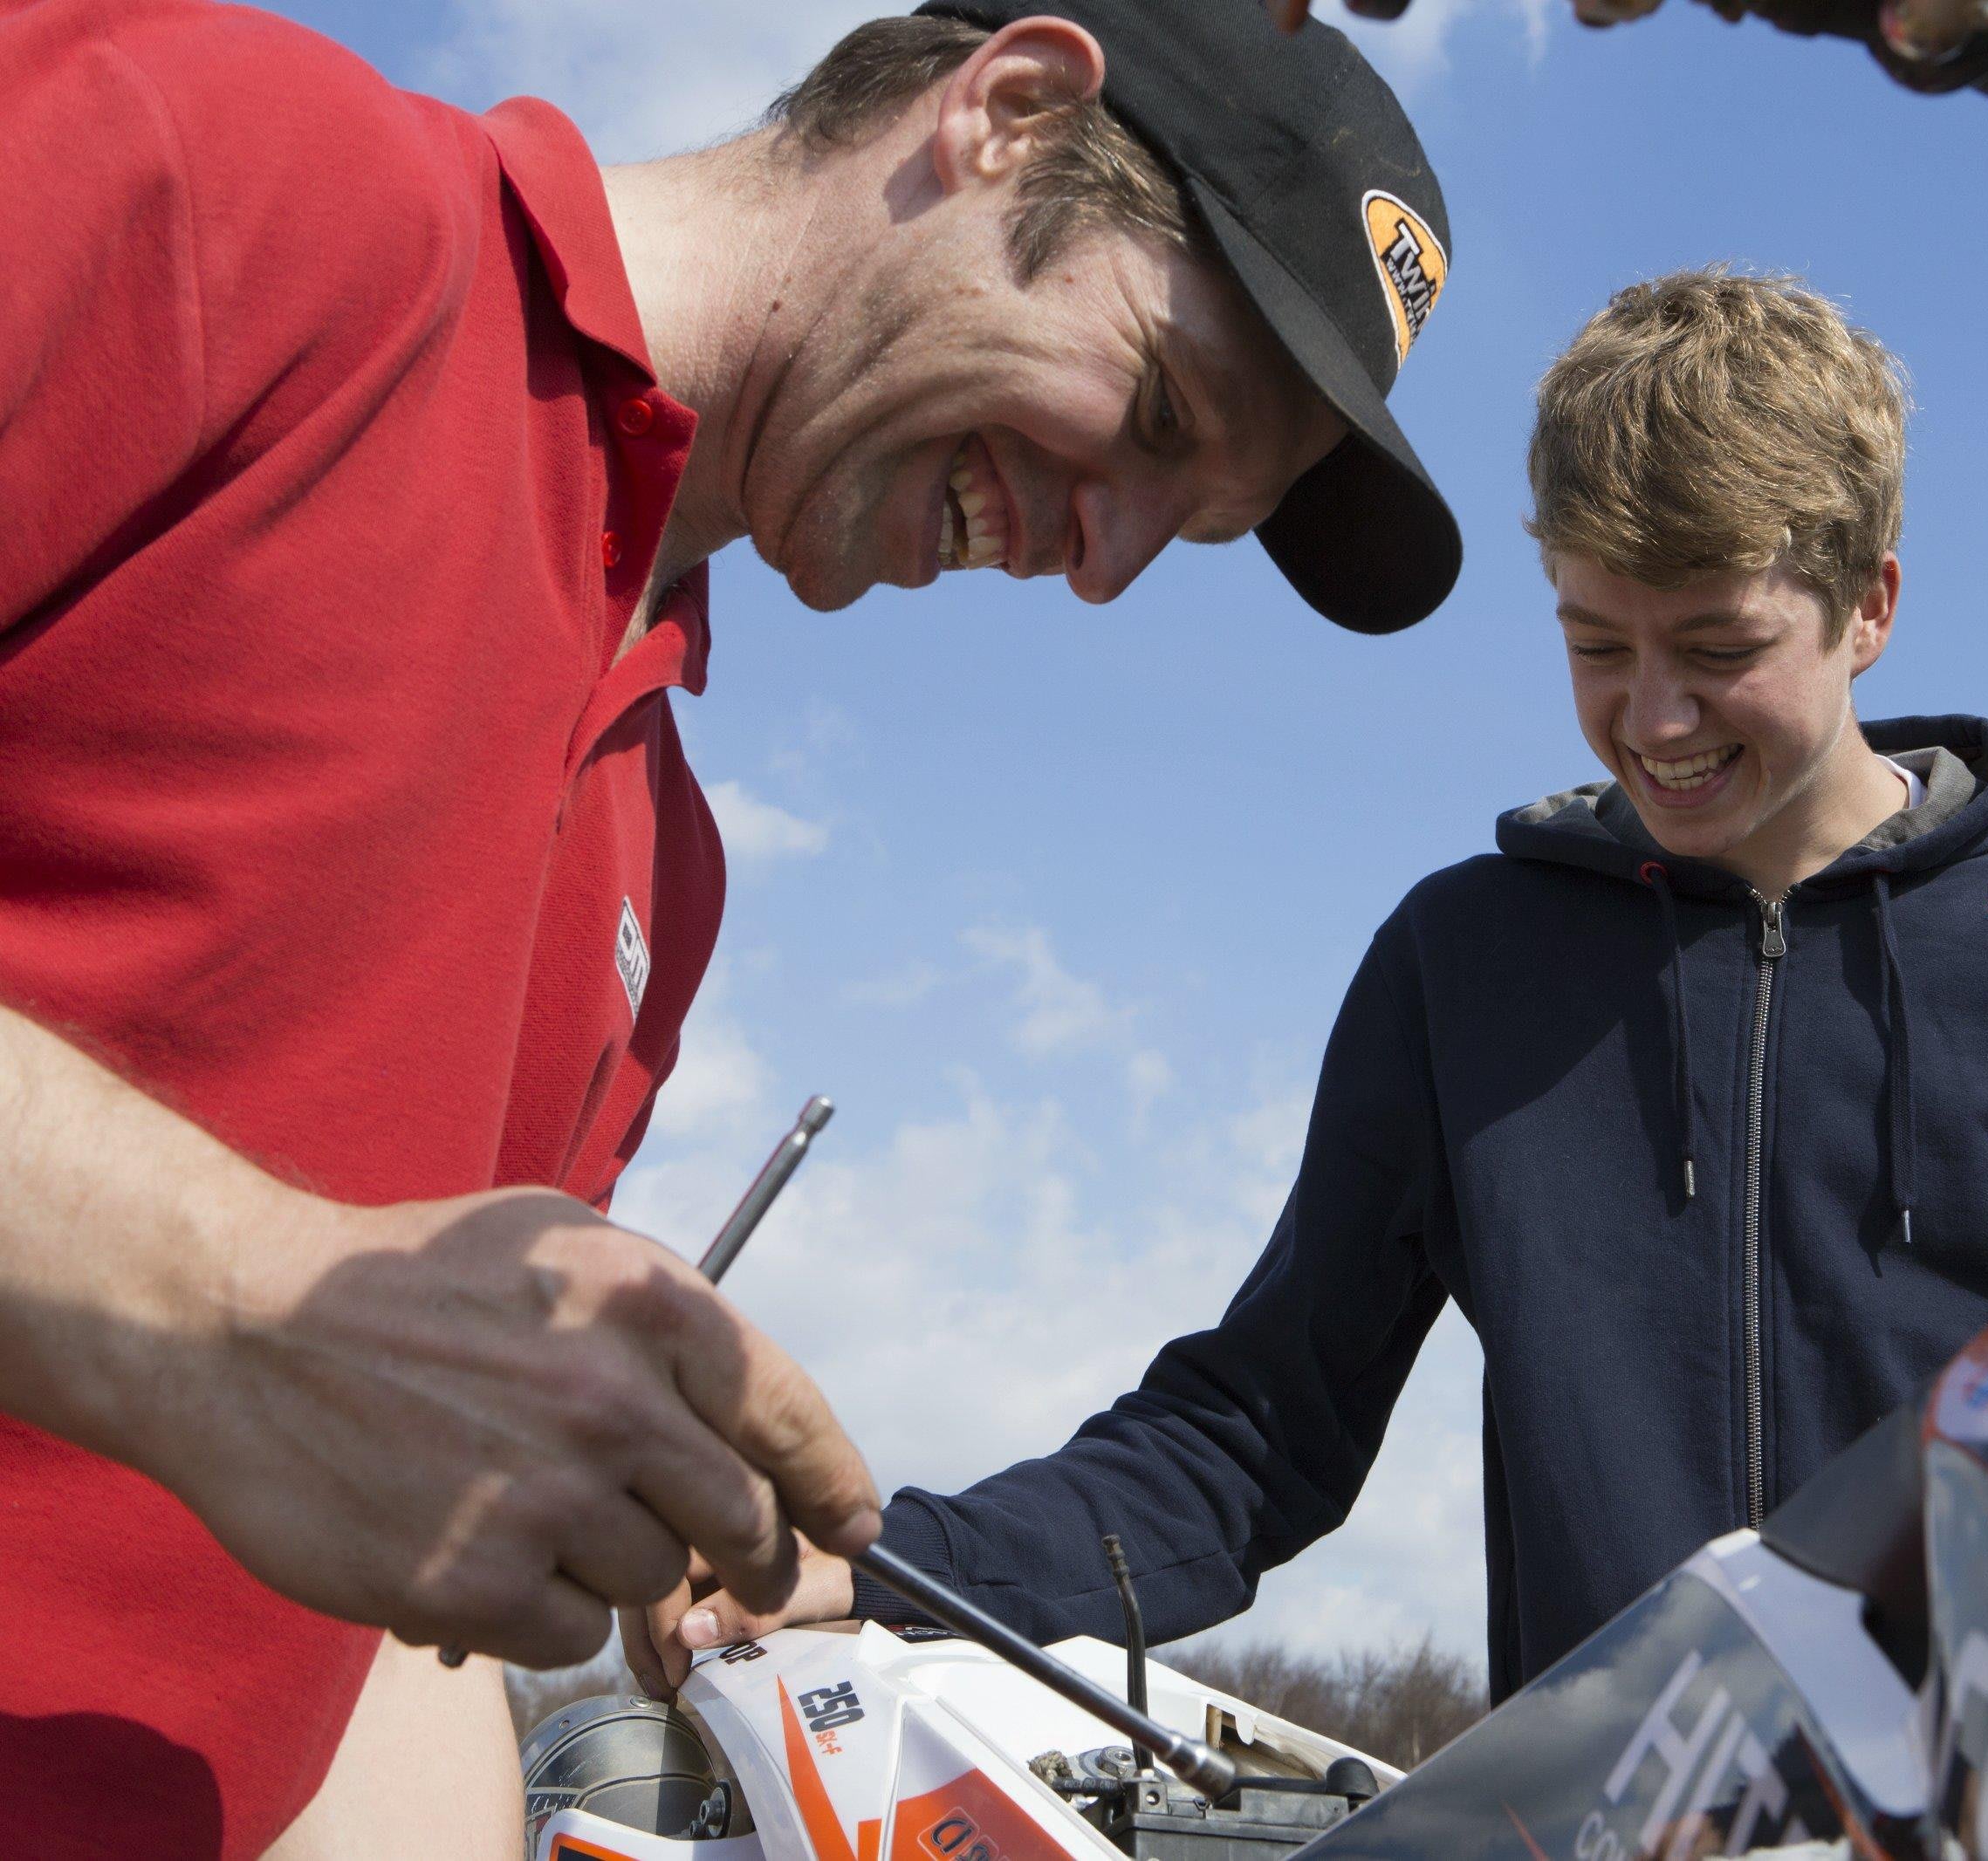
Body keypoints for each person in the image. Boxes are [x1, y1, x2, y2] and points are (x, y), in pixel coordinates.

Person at [0, 0, 1458, 1852]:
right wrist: (245, 1302)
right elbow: (291, 1353)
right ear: (1007, 113)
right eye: (1158, 412)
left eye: (1188, 525)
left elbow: (357, 1623)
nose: (1104, 562)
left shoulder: (662, 864)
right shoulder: (231, 176)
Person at [628, 270, 1988, 1703]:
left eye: (1719, 649)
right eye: (1595, 644)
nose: (1655, 719)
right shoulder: (1465, 962)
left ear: (1870, 608)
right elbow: (1254, 1434)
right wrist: (888, 1568)